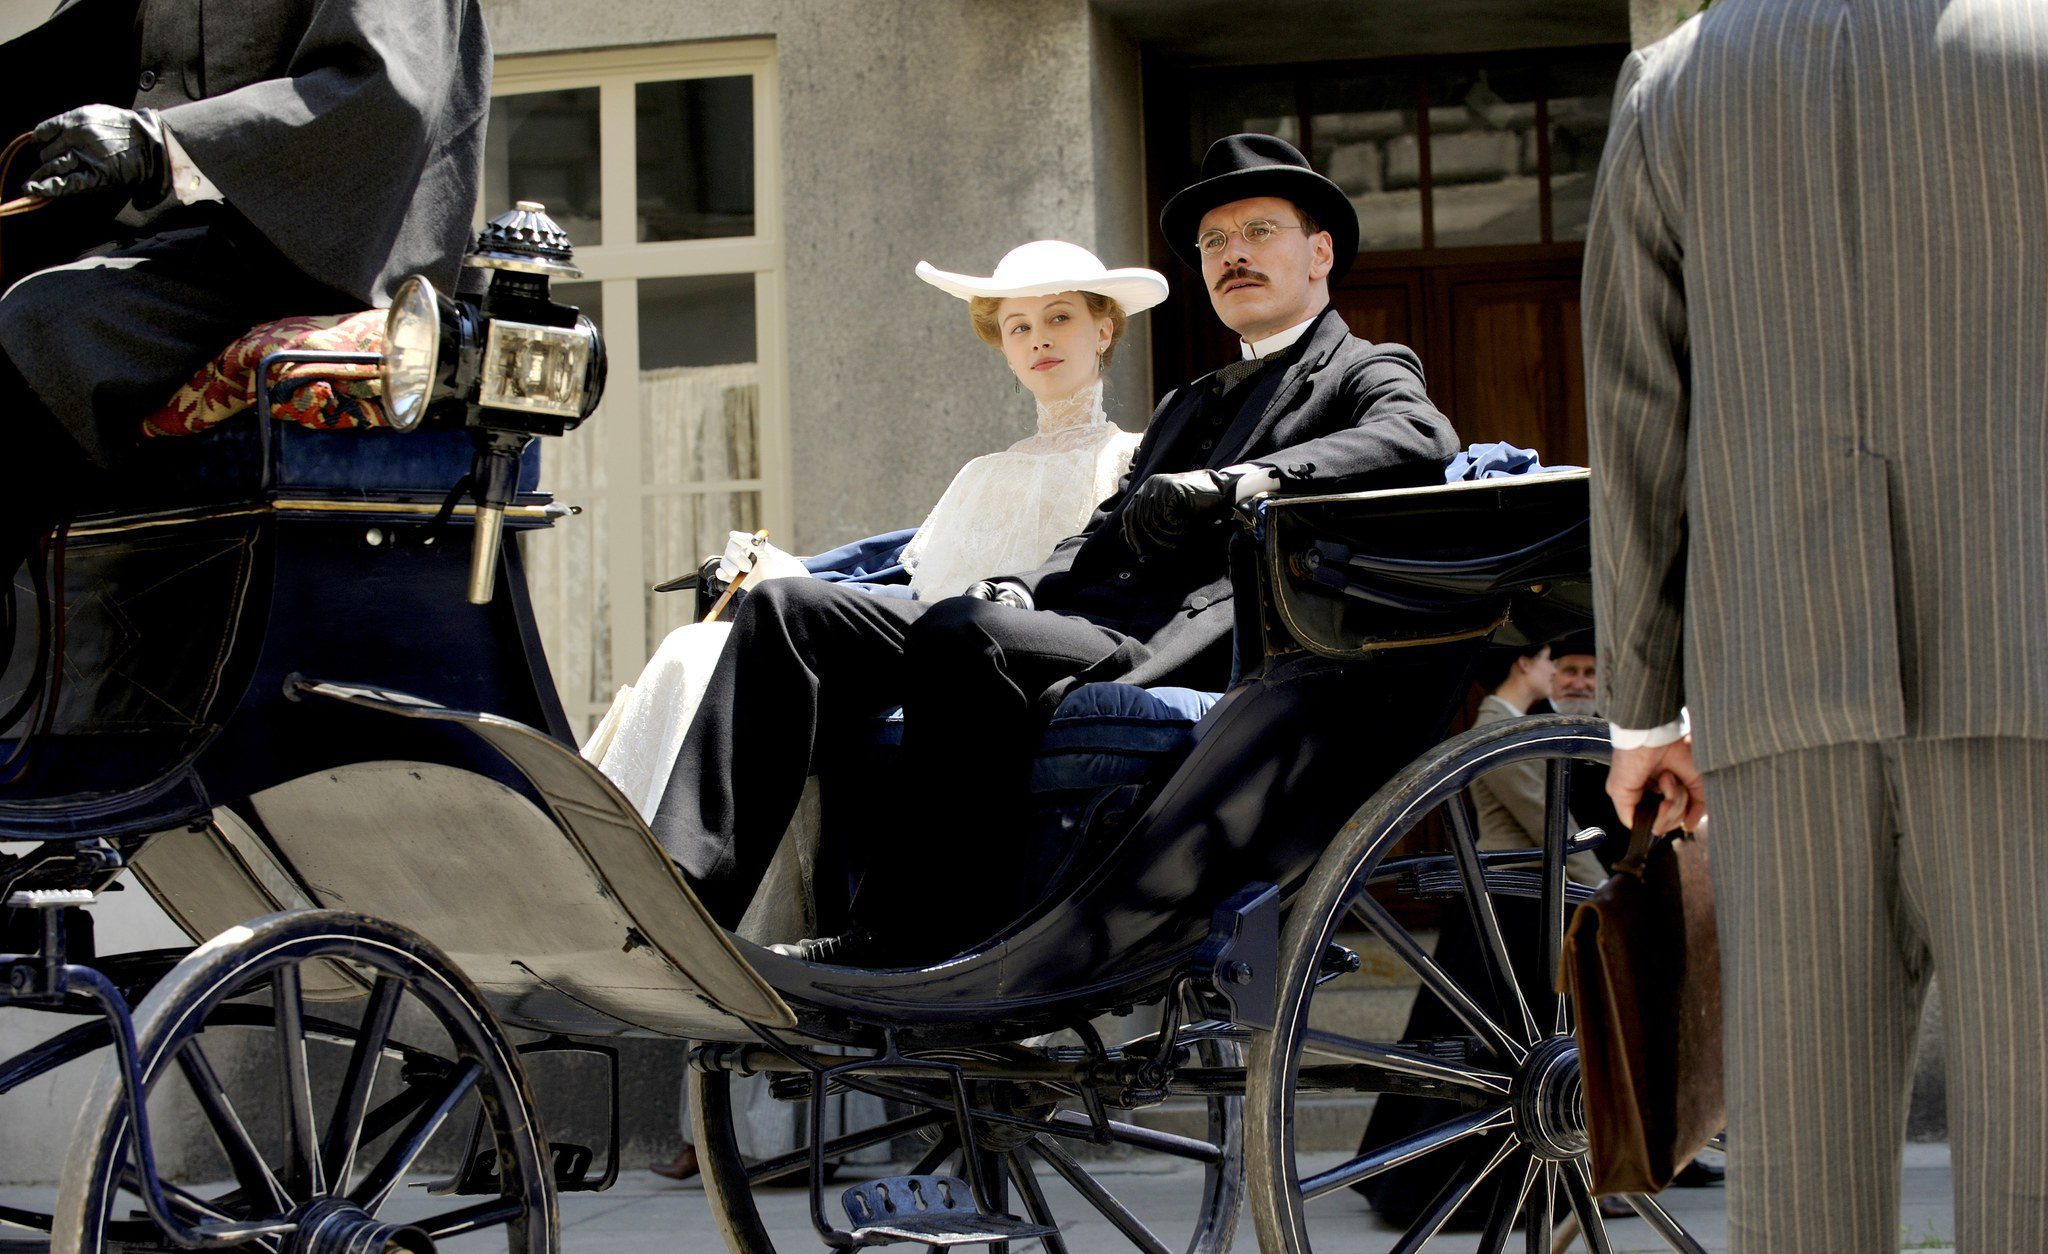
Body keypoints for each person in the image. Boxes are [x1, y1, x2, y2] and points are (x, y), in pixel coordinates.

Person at [652, 133, 1457, 965]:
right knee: (796, 610)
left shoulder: (1362, 369)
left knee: (961, 633)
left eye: (1258, 232)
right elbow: (1101, 531)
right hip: (1078, 622)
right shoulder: (1189, 403)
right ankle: (682, 902)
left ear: (1319, 252)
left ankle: (911, 937)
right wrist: (1024, 585)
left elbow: (1419, 436)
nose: (1232, 255)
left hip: (1184, 651)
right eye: (1215, 242)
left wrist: (1235, 483)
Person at [1585, 3, 2048, 1248]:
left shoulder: (1672, 83)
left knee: (1799, 1173)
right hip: (2024, 653)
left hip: (1774, 678)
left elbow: (1636, 413)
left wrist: (1640, 707)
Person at [587, 241, 1159, 822]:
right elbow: (916, 591)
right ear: (1005, 349)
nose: (1038, 338)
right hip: (920, 643)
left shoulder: (1134, 457)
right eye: (1018, 326)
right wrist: (792, 572)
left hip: (1006, 657)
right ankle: (639, 848)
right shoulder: (979, 475)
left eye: (1059, 317)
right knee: (697, 646)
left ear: (1104, 330)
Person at [0, 0, 489, 519]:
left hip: (328, 258)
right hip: (183, 256)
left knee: (43, 325)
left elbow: (385, 92)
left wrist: (162, 142)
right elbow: (64, 61)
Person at [1468, 640, 1605, 885]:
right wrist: (1599, 884)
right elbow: (1542, 814)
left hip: (1531, 875)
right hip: (1515, 880)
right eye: (1546, 659)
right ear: (1524, 664)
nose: (1552, 670)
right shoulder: (1497, 730)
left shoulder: (1511, 724)